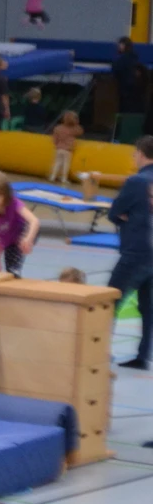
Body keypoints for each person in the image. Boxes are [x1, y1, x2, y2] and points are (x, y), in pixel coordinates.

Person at [107, 136, 153, 370]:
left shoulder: (136, 181)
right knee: (148, 306)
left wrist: (128, 217)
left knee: (110, 300)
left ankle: (100, 350)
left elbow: (114, 212)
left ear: (141, 154)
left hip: (136, 251)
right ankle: (143, 355)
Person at [49, 111, 82, 184]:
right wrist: (76, 124)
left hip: (58, 148)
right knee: (66, 164)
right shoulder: (73, 129)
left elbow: (54, 139)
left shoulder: (58, 128)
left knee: (57, 163)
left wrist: (56, 144)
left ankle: (53, 176)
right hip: (68, 149)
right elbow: (80, 131)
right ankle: (64, 178)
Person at [114, 37, 143, 114]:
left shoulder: (122, 60)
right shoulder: (135, 58)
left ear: (123, 46)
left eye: (119, 45)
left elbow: (115, 71)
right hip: (136, 94)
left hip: (125, 92)